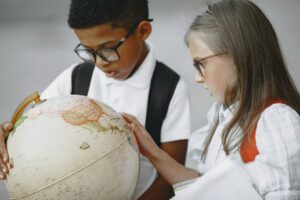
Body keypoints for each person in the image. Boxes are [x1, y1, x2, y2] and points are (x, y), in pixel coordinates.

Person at [0, 0, 191, 199]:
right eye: (88, 51)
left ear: (143, 31)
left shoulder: (168, 89)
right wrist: (7, 135)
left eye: (108, 49)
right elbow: (31, 125)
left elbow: (170, 179)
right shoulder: (76, 77)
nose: (99, 63)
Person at [122, 0, 300, 199]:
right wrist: (152, 151)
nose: (198, 77)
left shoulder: (275, 120)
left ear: (238, 55)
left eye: (200, 64)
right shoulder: (221, 115)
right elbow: (206, 189)